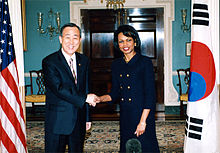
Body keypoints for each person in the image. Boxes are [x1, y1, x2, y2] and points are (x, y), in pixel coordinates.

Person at [100, 25, 160, 152]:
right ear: (117, 44)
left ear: (135, 41)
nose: (125, 44)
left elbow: (150, 95)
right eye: (121, 41)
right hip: (126, 115)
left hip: (142, 114)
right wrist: (100, 99)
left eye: (128, 40)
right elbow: (115, 93)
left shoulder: (145, 62)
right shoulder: (116, 65)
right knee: (127, 148)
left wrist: (143, 122)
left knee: (145, 147)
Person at [42, 23, 100, 153]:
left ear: (80, 40)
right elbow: (59, 88)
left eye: (75, 37)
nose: (71, 42)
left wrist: (87, 117)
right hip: (58, 120)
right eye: (67, 37)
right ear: (60, 39)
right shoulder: (50, 61)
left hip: (78, 120)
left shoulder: (84, 60)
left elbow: (86, 88)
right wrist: (85, 98)